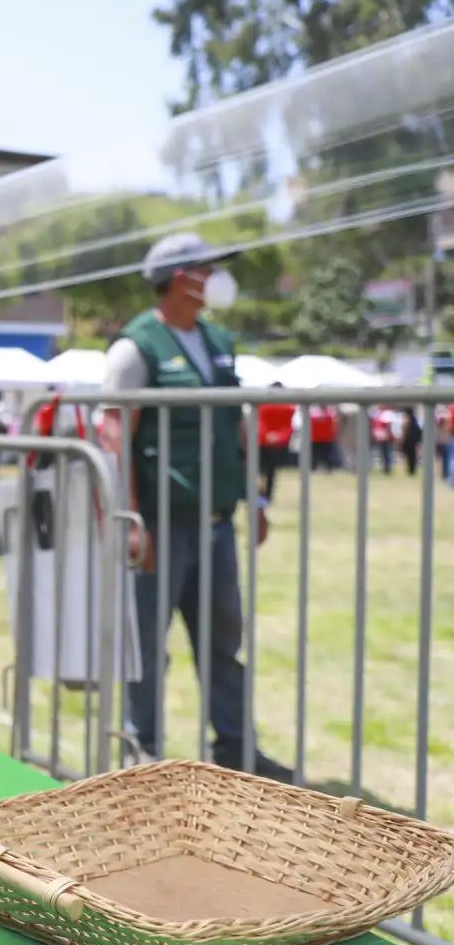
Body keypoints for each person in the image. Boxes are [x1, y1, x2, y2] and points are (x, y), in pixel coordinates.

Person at [97, 232, 291, 780]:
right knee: (148, 647)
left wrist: (253, 497)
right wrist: (129, 521)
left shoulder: (217, 340)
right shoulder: (134, 349)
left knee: (224, 641)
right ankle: (142, 756)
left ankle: (235, 749)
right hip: (159, 524)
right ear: (182, 279)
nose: (217, 280)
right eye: (209, 269)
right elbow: (116, 438)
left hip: (215, 523)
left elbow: (234, 429)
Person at [255, 383, 295, 502]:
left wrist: (267, 436)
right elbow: (288, 427)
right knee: (270, 472)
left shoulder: (262, 406)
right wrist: (278, 437)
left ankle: (261, 494)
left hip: (264, 442)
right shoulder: (289, 407)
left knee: (261, 471)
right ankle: (266, 495)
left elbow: (260, 424)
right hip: (274, 443)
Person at [370, 406, 395, 475]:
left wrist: (387, 435)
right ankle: (384, 468)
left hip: (386, 437)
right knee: (382, 453)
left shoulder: (387, 413)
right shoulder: (377, 413)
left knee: (387, 453)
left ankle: (387, 469)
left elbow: (388, 425)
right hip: (380, 437)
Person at [401, 406, 423, 477]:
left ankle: (412, 470)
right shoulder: (413, 420)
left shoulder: (411, 420)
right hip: (411, 440)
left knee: (411, 455)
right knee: (411, 455)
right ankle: (411, 469)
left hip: (411, 440)